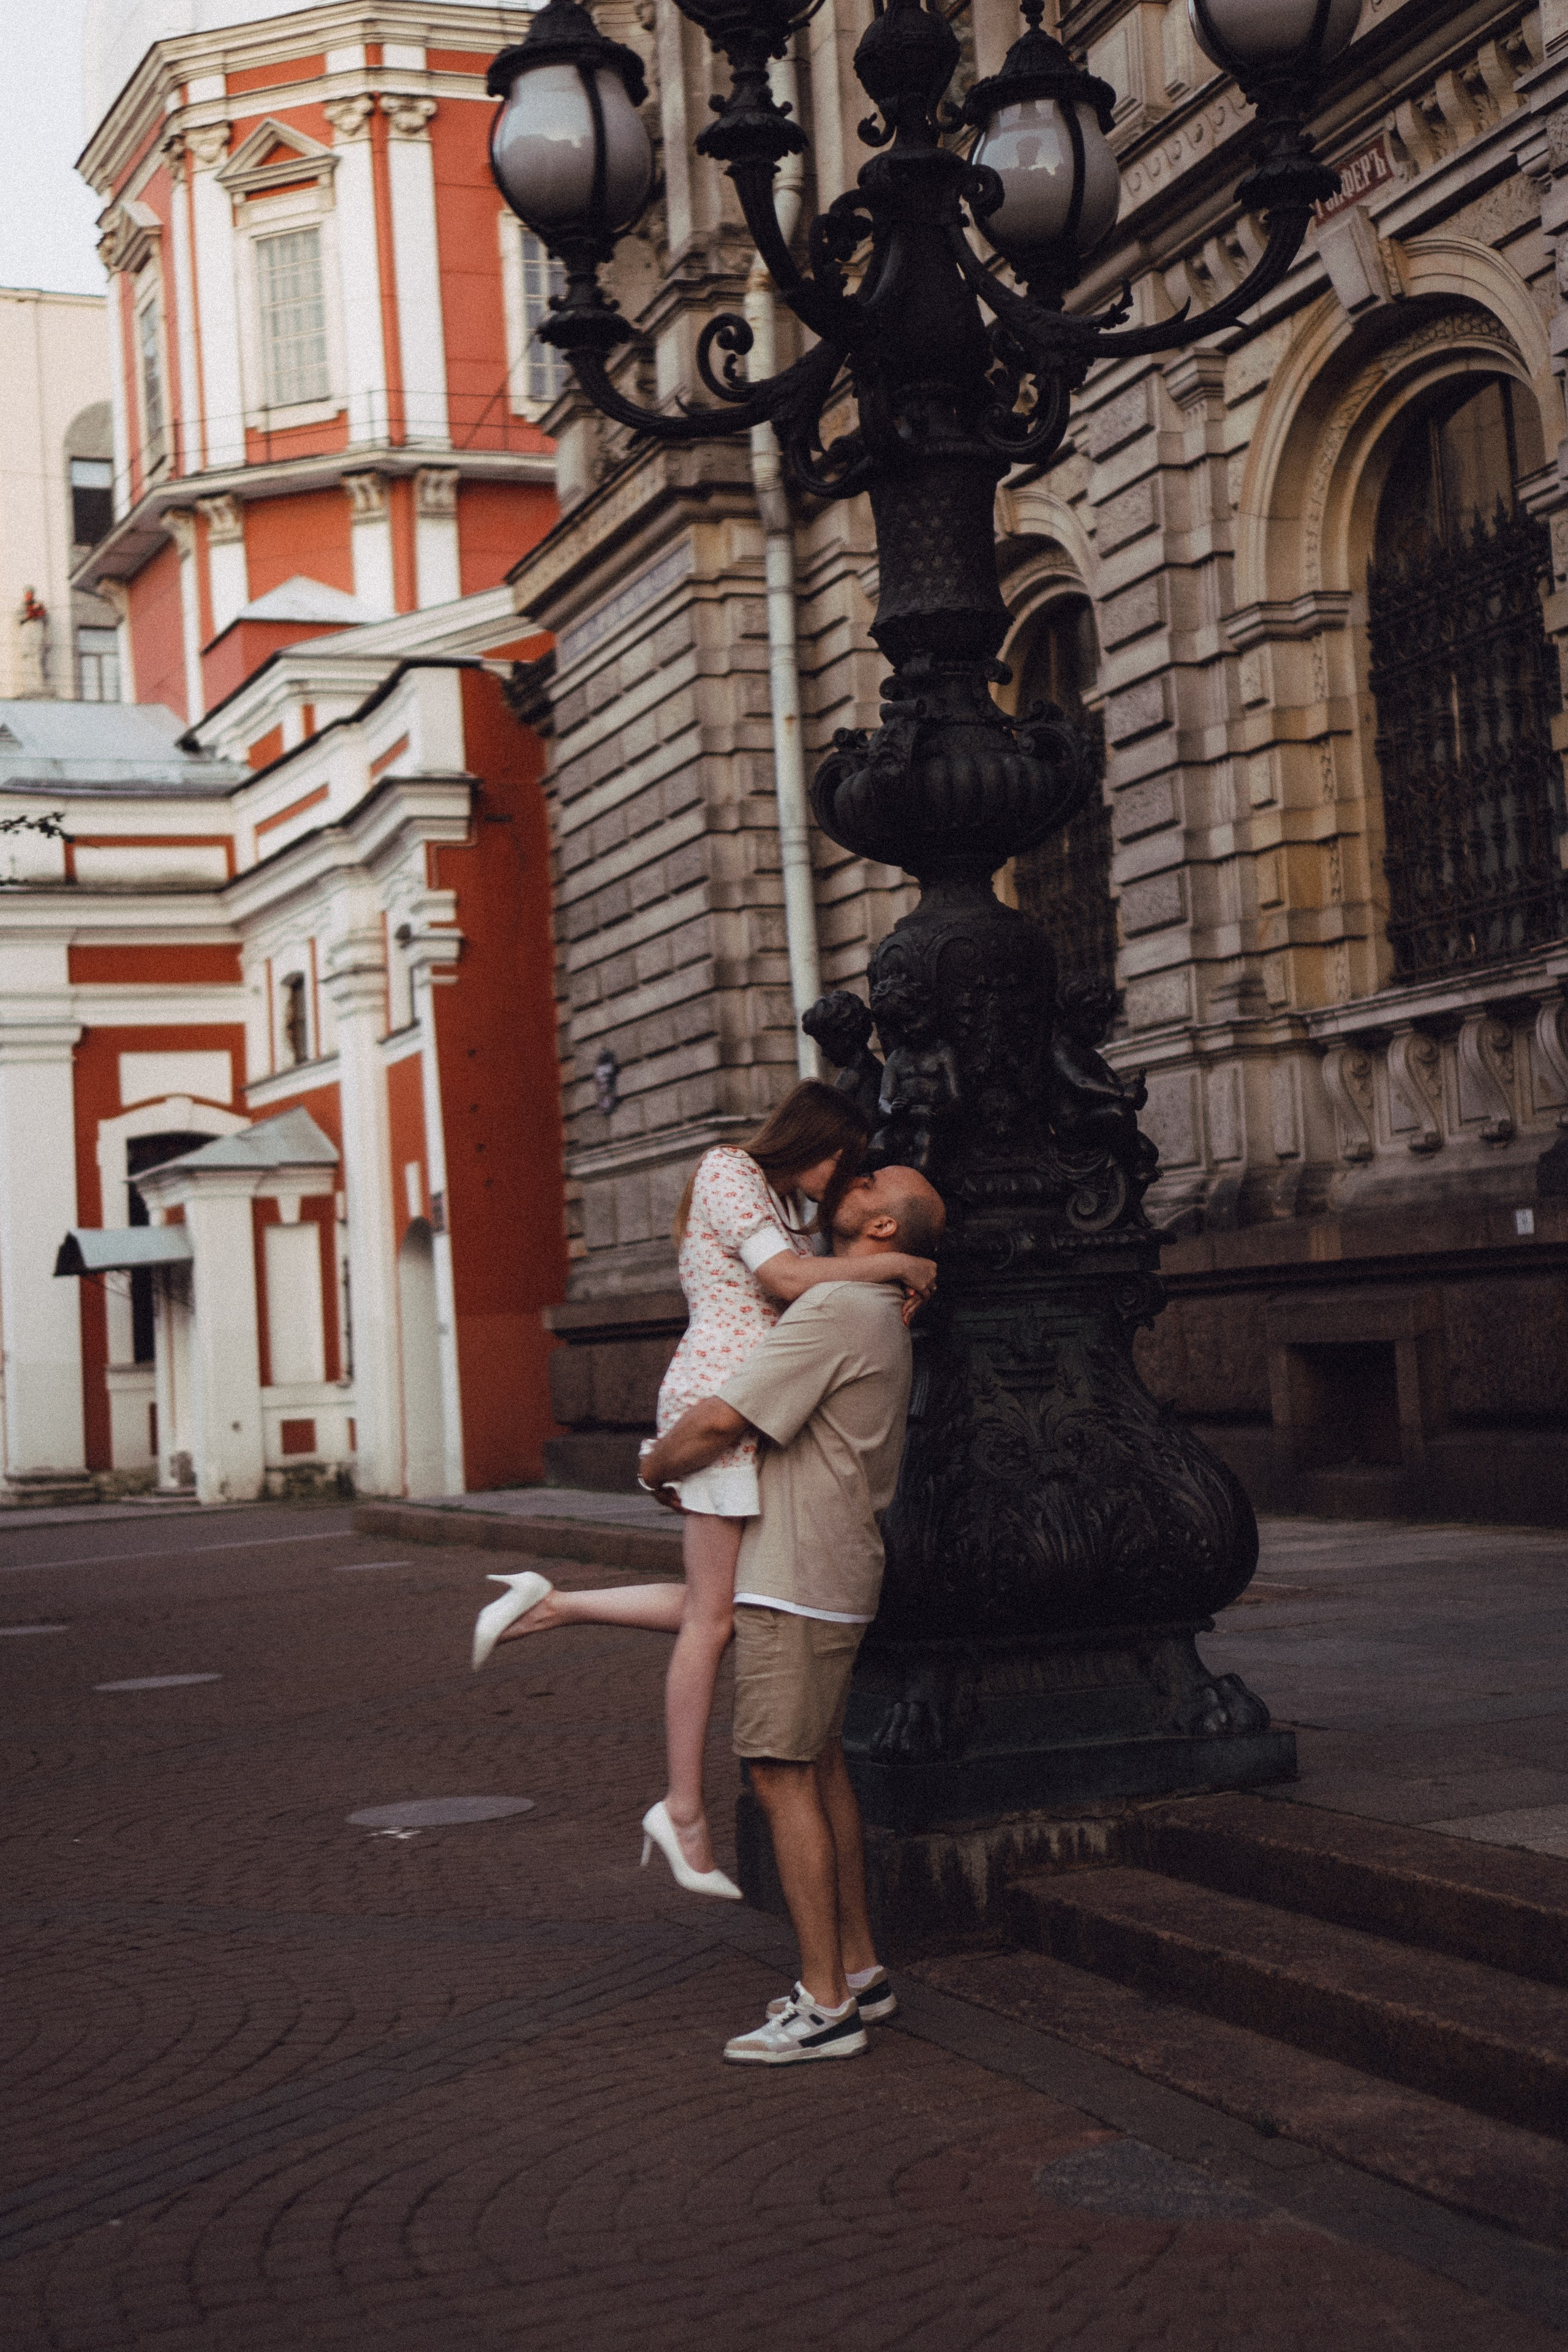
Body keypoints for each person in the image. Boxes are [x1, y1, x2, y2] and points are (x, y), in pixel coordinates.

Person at [470, 1083, 938, 1900]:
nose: (840, 1178)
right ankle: (682, 1811)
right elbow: (790, 1281)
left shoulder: (790, 1205)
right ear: (813, 1139)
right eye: (842, 1160)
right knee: (715, 1619)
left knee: (716, 1601)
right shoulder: (728, 1172)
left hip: (757, 1410)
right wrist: (899, 1262)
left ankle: (552, 1607)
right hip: (718, 1406)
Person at [638, 1161, 946, 2064]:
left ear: (884, 1229)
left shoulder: (835, 1311)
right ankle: (857, 1971)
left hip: (793, 1573)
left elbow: (723, 1422)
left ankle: (823, 2006)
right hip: (832, 1567)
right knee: (820, 1766)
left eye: (875, 1181)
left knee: (778, 1772)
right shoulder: (872, 1306)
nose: (856, 1177)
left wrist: (655, 1466)